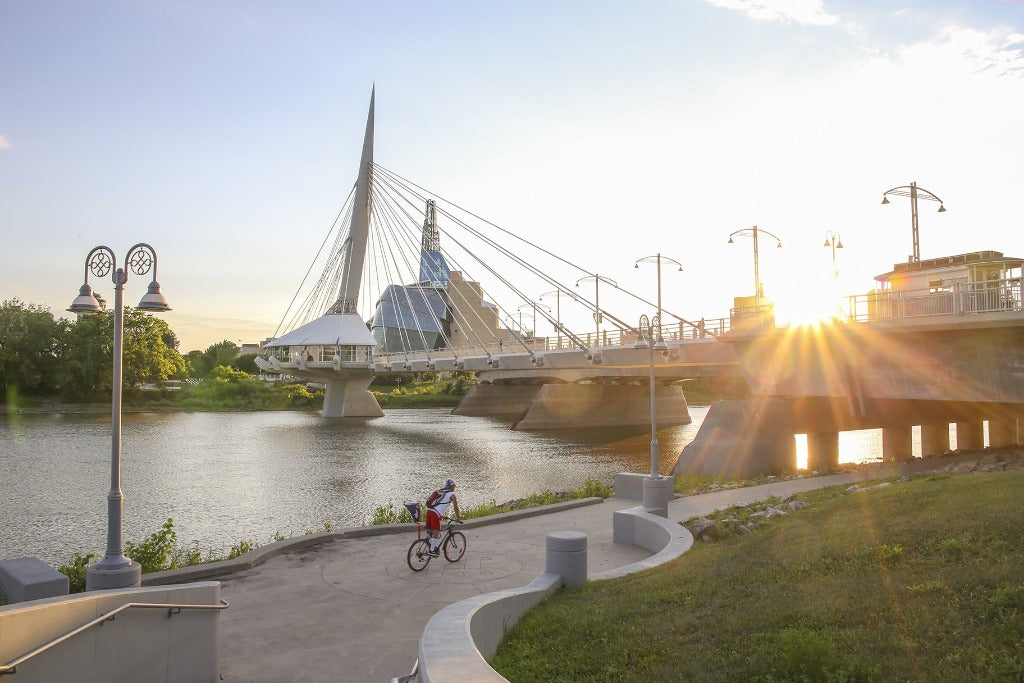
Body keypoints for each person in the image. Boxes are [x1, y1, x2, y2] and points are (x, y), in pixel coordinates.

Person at [425, 478, 462, 557]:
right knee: (436, 530)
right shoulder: (451, 494)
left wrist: (442, 515)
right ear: (452, 486)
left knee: (431, 531)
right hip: (435, 513)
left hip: (429, 510)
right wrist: (458, 519)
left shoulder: (441, 491)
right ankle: (432, 551)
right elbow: (456, 507)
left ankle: (431, 545)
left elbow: (438, 504)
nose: (455, 487)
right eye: (454, 486)